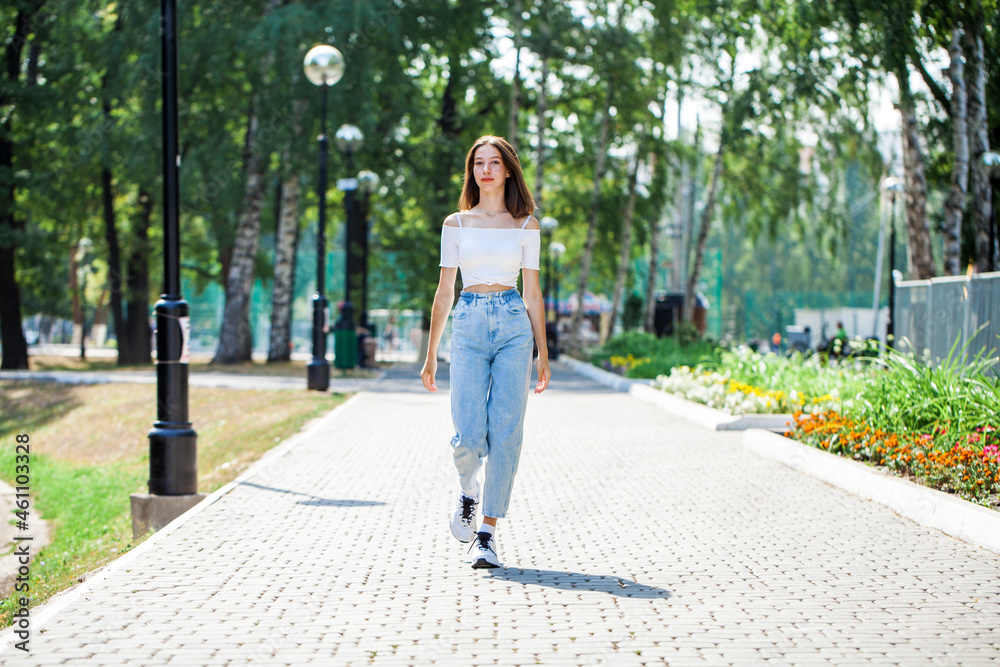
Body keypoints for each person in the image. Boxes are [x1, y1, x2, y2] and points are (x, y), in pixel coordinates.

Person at [421, 135, 551, 569]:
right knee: (469, 432)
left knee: (507, 431)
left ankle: (487, 534)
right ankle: (467, 488)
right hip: (470, 321)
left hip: (514, 322)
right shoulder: (456, 224)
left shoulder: (526, 225)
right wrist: (430, 353)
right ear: (472, 170)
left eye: (495, 162)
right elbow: (444, 292)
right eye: (479, 163)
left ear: (509, 170)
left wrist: (543, 354)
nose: (487, 170)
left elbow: (533, 293)